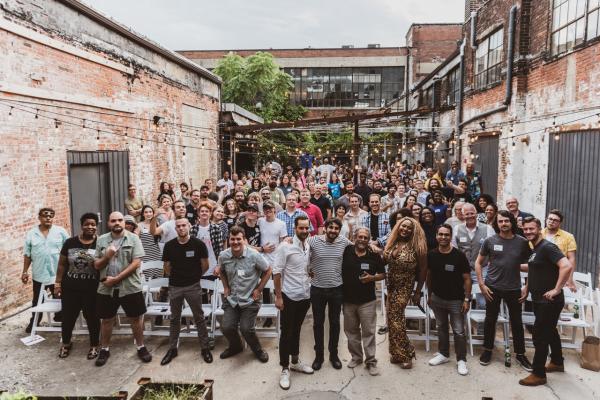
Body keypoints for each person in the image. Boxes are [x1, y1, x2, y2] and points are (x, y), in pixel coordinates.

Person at [518, 217, 573, 386]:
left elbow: (566, 266)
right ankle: (557, 361)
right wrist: (526, 288)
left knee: (540, 335)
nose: (528, 232)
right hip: (538, 299)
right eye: (525, 229)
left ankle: (538, 373)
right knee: (550, 330)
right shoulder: (535, 249)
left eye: (531, 229)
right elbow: (534, 269)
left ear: (539, 229)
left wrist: (556, 289)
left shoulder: (548, 247)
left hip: (549, 300)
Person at [475, 210, 532, 371]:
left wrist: (526, 287)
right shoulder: (489, 241)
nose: (503, 224)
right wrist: (481, 284)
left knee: (517, 322)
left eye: (506, 221)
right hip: (492, 287)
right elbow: (478, 263)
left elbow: (531, 266)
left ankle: (520, 354)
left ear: (512, 222)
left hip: (514, 288)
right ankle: (487, 350)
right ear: (496, 223)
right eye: (500, 221)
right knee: (490, 320)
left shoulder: (522, 242)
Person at [93, 211, 150, 366]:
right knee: (106, 319)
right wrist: (107, 255)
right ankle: (104, 349)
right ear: (108, 223)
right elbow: (97, 265)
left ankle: (141, 346)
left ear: (124, 223)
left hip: (129, 286)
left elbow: (136, 263)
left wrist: (117, 279)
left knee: (135, 319)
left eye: (120, 220)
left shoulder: (134, 238)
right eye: (113, 221)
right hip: (106, 287)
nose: (117, 223)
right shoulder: (102, 240)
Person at [160, 218, 213, 366]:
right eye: (178, 226)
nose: (181, 228)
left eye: (184, 225)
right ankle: (172, 349)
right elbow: (166, 267)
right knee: (174, 318)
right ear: (175, 229)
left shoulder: (198, 244)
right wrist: (177, 278)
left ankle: (205, 348)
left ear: (189, 226)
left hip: (193, 286)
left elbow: (205, 265)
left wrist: (194, 277)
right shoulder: (169, 246)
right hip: (175, 286)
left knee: (199, 318)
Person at [218, 226, 272, 362]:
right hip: (232, 299)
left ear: (244, 240)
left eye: (238, 239)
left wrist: (259, 289)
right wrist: (225, 286)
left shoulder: (254, 255)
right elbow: (221, 271)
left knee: (246, 329)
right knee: (226, 327)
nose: (235, 242)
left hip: (250, 299)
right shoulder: (223, 255)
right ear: (229, 240)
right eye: (232, 239)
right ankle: (236, 346)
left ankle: (258, 350)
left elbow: (268, 270)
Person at [274, 216, 314, 390]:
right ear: (294, 228)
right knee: (286, 332)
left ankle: (295, 361)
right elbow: (277, 272)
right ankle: (284, 368)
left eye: (307, 228)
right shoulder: (285, 246)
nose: (304, 231)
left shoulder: (309, 245)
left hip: (305, 296)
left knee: (297, 330)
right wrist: (278, 297)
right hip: (288, 296)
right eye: (301, 228)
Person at [383, 216, 428, 368]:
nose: (405, 229)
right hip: (391, 286)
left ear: (413, 230)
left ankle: (407, 354)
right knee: (392, 320)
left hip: (405, 287)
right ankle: (396, 354)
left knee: (396, 319)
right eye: (403, 226)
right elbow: (384, 260)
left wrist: (417, 292)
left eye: (409, 227)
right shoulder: (393, 242)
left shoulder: (418, 246)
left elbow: (423, 270)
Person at [426, 224, 471, 376]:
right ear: (436, 236)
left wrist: (467, 299)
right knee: (441, 327)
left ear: (451, 237)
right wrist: (429, 294)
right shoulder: (431, 254)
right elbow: (429, 276)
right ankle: (444, 354)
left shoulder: (459, 255)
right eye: (441, 234)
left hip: (456, 300)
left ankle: (461, 360)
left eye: (446, 235)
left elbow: (467, 279)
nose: (443, 237)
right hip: (437, 298)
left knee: (459, 331)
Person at [54, 213, 100, 359]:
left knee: (92, 318)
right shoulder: (70, 242)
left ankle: (94, 345)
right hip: (70, 289)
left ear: (96, 226)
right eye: (87, 224)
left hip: (92, 289)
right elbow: (62, 264)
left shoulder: (101, 243)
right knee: (68, 317)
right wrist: (58, 283)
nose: (90, 227)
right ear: (81, 225)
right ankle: (66, 343)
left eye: (93, 224)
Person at [308, 218, 351, 371]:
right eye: (330, 227)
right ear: (325, 228)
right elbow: (300, 249)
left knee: (334, 323)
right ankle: (319, 356)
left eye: (336, 228)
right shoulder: (313, 241)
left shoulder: (344, 242)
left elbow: (358, 248)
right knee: (318, 323)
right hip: (317, 289)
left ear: (339, 230)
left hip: (336, 289)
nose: (333, 230)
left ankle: (334, 355)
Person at [342, 227, 386, 376]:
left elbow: (383, 274)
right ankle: (356, 357)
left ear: (369, 240)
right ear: (355, 237)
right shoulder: (347, 250)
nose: (362, 240)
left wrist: (371, 278)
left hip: (367, 301)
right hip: (348, 300)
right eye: (359, 237)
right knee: (351, 331)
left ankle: (371, 361)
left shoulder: (374, 255)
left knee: (369, 332)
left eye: (365, 238)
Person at [22, 207, 69, 333]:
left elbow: (69, 251)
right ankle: (35, 322)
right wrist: (25, 271)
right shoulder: (32, 234)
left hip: (57, 273)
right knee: (37, 300)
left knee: (60, 298)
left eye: (51, 215)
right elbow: (27, 254)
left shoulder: (61, 232)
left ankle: (60, 319)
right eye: (45, 215)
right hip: (39, 273)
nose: (48, 217)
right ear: (39, 217)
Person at [452, 203, 495, 325]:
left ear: (476, 214)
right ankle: (464, 330)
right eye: (467, 214)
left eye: (472, 213)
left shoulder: (487, 229)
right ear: (462, 214)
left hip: (482, 270)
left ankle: (482, 331)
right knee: (461, 301)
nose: (470, 216)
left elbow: (492, 251)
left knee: (483, 302)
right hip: (463, 271)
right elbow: (454, 250)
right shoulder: (457, 229)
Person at [542, 209, 577, 291]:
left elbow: (571, 258)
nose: (551, 221)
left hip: (559, 273)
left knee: (558, 298)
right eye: (550, 219)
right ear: (546, 219)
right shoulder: (539, 234)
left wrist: (570, 278)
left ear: (560, 223)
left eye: (555, 220)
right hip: (541, 272)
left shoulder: (568, 236)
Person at [190, 202, 226, 278]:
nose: (204, 213)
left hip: (212, 267)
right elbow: (190, 248)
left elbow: (220, 250)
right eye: (202, 211)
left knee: (211, 288)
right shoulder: (193, 229)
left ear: (210, 214)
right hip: (196, 267)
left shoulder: (216, 228)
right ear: (198, 213)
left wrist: (218, 266)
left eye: (206, 211)